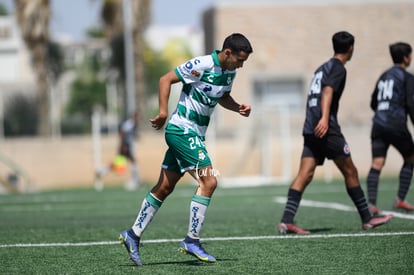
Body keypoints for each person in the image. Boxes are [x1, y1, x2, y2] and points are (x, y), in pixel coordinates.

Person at [119, 33, 253, 265]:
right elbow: (165, 79)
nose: (241, 66)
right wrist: (162, 112)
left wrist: (237, 107)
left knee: (164, 188)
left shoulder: (229, 72)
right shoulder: (202, 64)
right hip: (182, 130)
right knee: (209, 181)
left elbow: (222, 96)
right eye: (239, 60)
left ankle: (133, 234)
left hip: (193, 134)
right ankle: (192, 240)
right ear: (227, 53)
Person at [277, 31, 393, 235]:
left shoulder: (321, 68)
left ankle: (287, 221)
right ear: (350, 48)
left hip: (310, 127)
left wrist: (314, 120)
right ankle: (367, 218)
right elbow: (328, 91)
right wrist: (324, 118)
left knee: (305, 174)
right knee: (350, 171)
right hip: (326, 128)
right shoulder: (338, 67)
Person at [366, 42, 414, 215]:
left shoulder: (384, 75)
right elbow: (411, 103)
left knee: (377, 163)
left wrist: (382, 112)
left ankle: (371, 204)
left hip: (378, 124)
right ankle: (400, 199)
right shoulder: (407, 77)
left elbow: (373, 102)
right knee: (410, 158)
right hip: (395, 124)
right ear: (406, 57)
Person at [95, 112, 141, 190]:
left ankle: (101, 172)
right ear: (134, 117)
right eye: (138, 117)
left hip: (126, 146)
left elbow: (130, 134)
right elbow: (122, 133)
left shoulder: (133, 125)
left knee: (118, 164)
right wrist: (123, 145)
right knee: (131, 162)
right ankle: (134, 182)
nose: (139, 119)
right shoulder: (129, 124)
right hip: (125, 146)